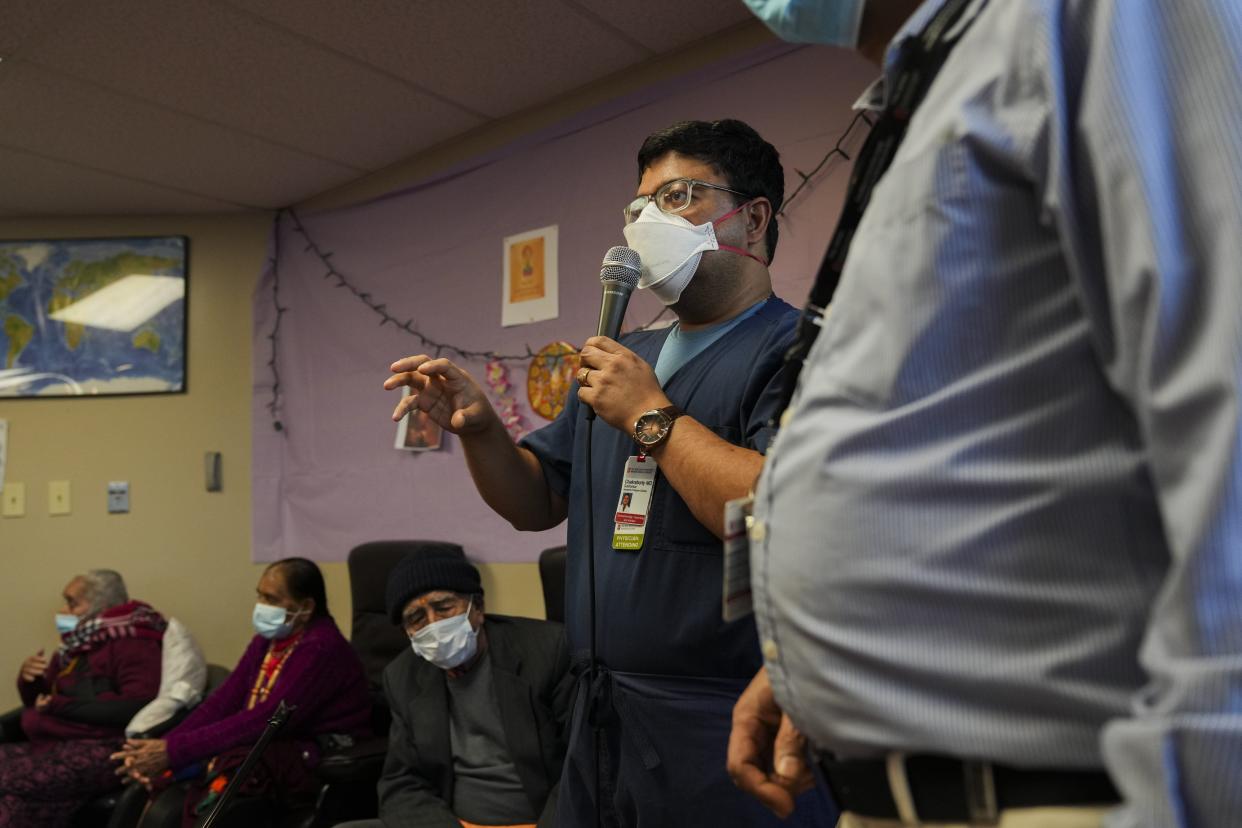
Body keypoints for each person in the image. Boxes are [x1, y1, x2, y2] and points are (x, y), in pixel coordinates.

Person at [727, 1, 1242, 826]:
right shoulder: (929, 89)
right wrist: (828, 673)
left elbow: (1225, 401)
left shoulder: (1093, 17)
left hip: (1073, 794)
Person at [385, 120, 833, 826]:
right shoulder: (624, 354)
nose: (649, 221)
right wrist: (480, 429)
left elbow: (779, 514)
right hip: (599, 714)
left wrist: (652, 417)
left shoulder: (794, 349)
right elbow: (536, 500)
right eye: (639, 206)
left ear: (751, 218)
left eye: (678, 195)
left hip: (720, 717)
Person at [114, 558, 371, 827]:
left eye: (271, 599)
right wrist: (163, 747)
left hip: (317, 751)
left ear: (305, 607)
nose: (261, 605)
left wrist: (175, 751)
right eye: (259, 595)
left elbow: (269, 719)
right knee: (162, 781)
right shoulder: (267, 641)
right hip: (269, 741)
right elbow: (223, 701)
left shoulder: (322, 647)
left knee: (230, 766)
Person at [338, 550, 571, 828]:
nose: (434, 624)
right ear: (407, 633)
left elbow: (585, 765)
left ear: (478, 608)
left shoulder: (547, 652)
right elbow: (402, 780)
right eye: (417, 618)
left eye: (444, 607)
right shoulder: (402, 677)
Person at [0, 570, 164, 827]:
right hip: (55, 743)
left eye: (72, 602)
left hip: (104, 748)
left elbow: (137, 704)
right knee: (13, 804)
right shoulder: (75, 646)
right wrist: (30, 680)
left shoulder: (133, 642)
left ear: (104, 606)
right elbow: (43, 699)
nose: (63, 610)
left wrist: (60, 706)